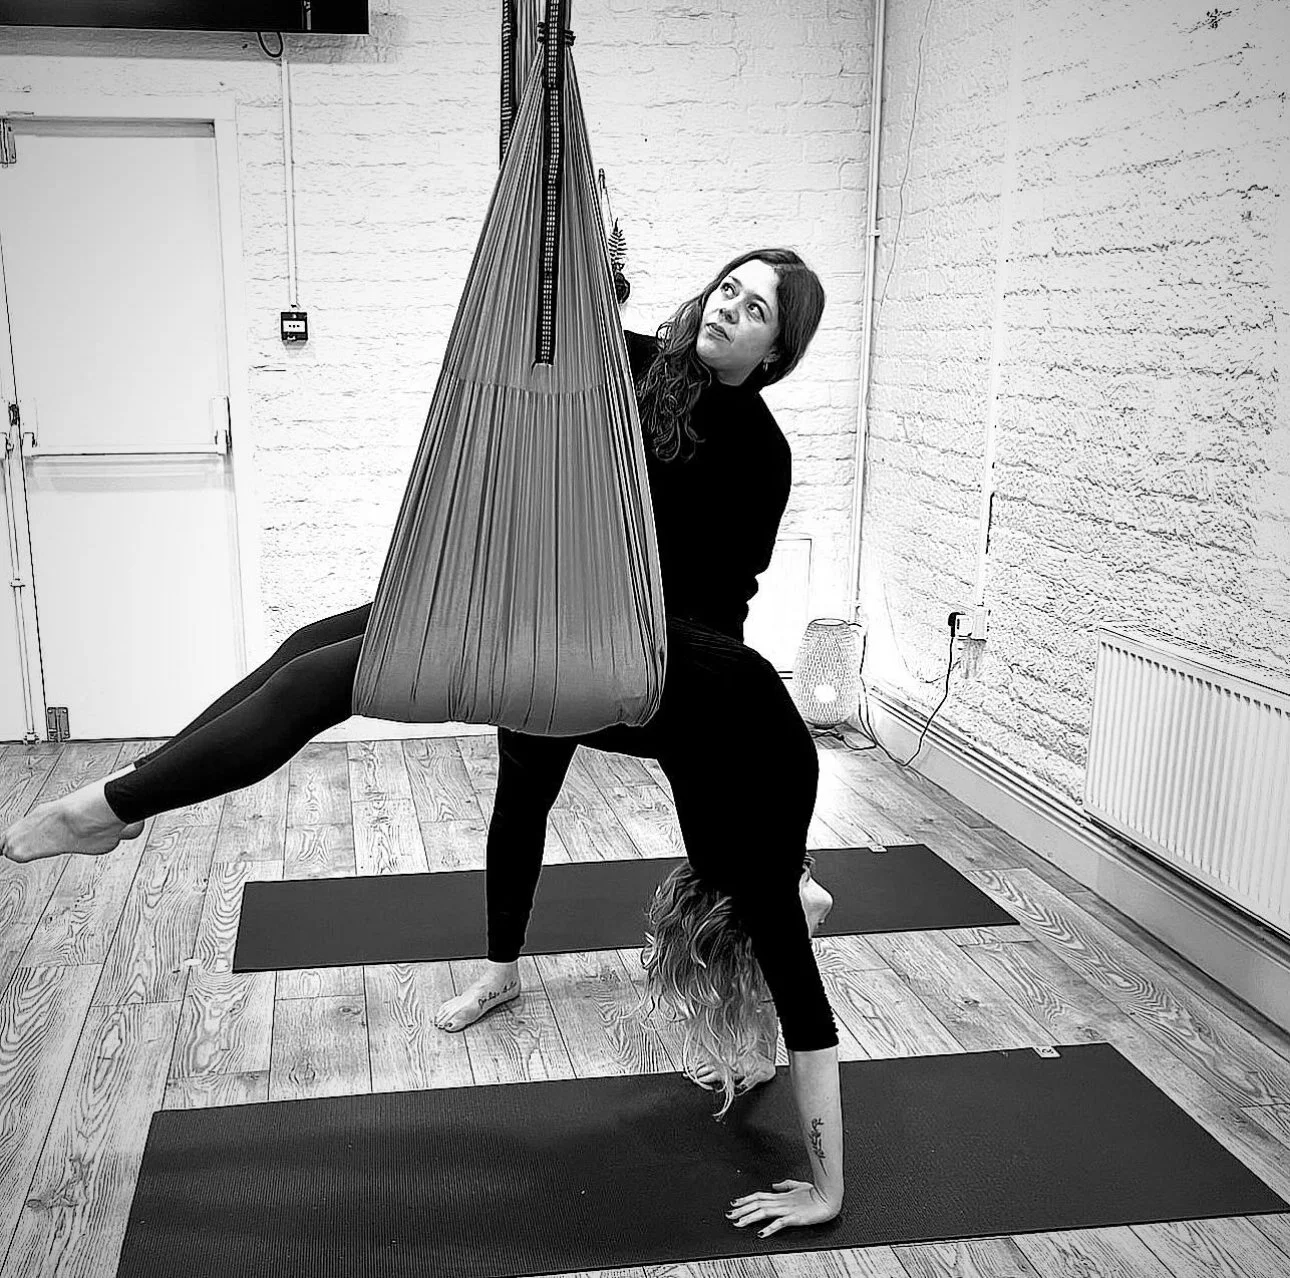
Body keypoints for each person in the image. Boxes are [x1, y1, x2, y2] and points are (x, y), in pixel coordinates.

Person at [1, 248, 844, 1238]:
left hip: (658, 663)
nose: (730, 308)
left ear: (776, 352)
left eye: (757, 311)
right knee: (312, 648)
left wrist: (829, 1193)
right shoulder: (650, 362)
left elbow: (811, 1019)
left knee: (330, 680)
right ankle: (137, 789)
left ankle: (107, 809)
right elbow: (556, 331)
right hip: (606, 642)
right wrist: (572, 246)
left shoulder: (761, 456)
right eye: (730, 288)